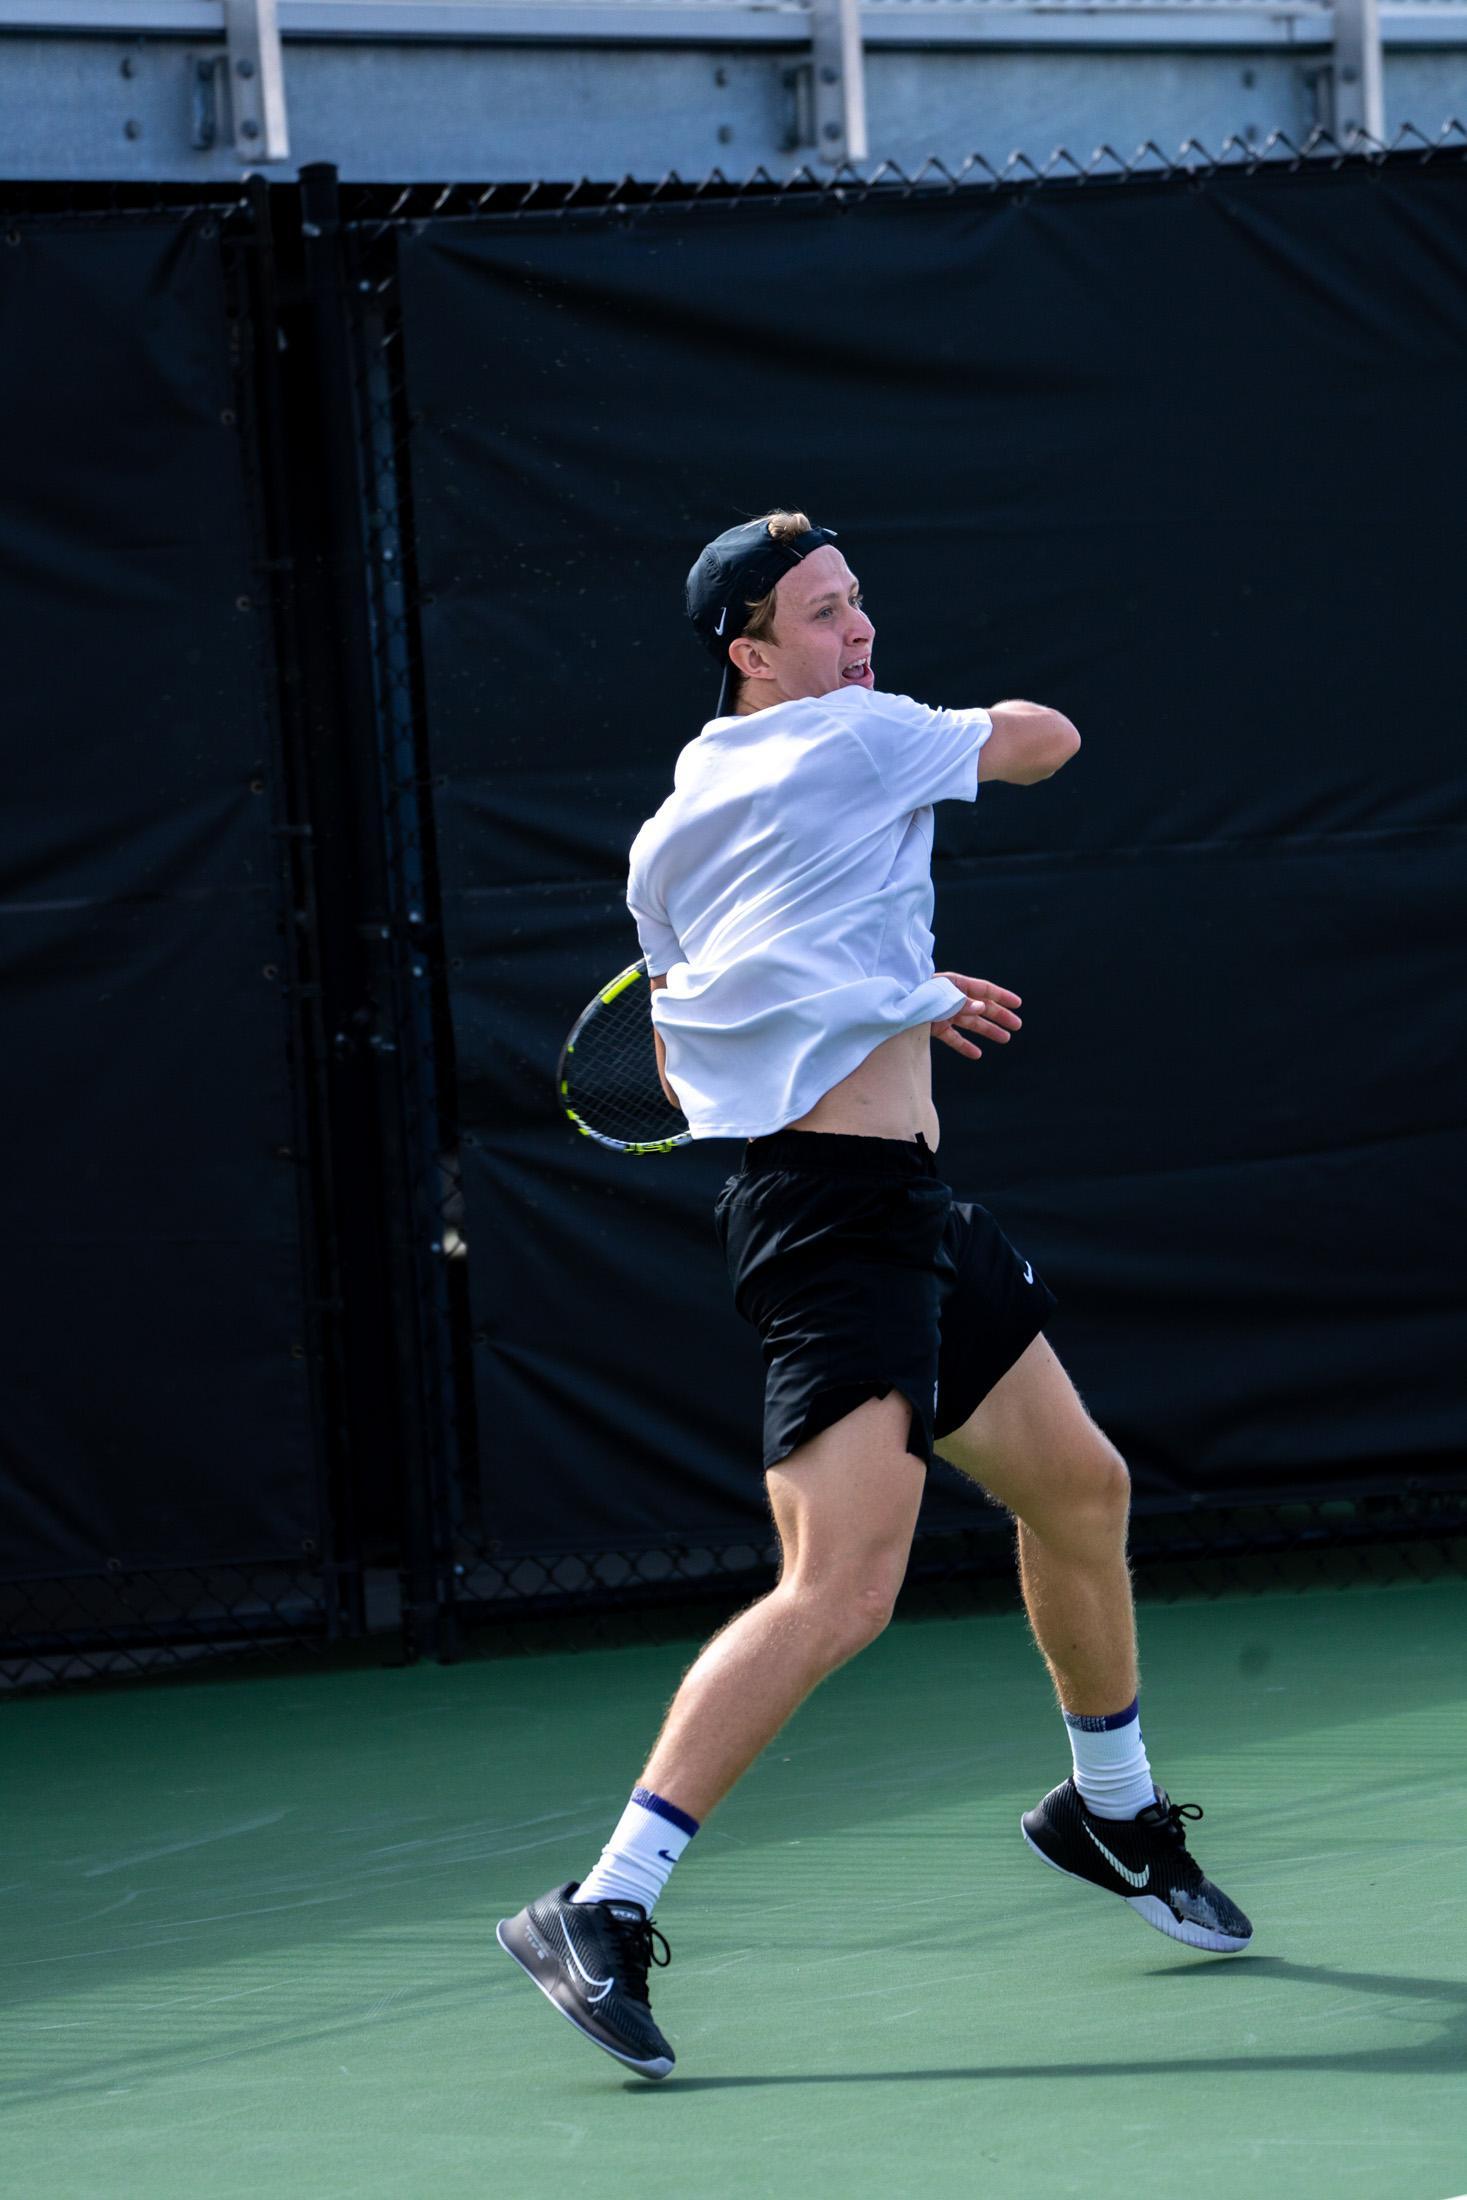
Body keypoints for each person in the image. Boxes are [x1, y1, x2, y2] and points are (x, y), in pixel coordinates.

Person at [497, 510, 1251, 2081]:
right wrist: (903, 954)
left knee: (1081, 1487)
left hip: (904, 1207)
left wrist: (884, 984)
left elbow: (703, 1019)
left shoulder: (677, 821)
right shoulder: (857, 738)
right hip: (834, 1228)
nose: (860, 634)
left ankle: (1108, 1812)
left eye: (860, 605)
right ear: (748, 651)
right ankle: (602, 1906)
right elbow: (1051, 741)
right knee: (839, 1590)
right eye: (823, 616)